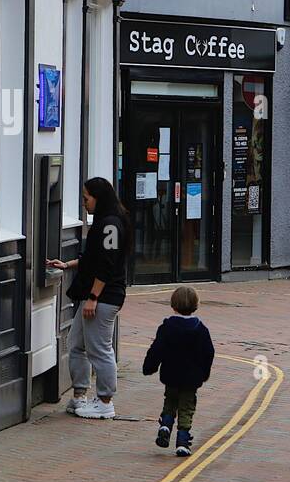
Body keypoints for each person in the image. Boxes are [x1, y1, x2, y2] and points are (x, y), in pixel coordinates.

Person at [48, 177, 130, 420]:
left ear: (99, 197)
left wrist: (94, 297)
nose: (84, 203)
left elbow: (106, 264)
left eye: (86, 198)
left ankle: (105, 402)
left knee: (100, 350)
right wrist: (68, 265)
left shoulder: (110, 225)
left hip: (102, 298)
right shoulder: (107, 223)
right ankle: (80, 395)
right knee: (76, 345)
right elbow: (95, 258)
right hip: (94, 295)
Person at [142, 285, 215, 458]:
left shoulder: (167, 327)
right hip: (191, 378)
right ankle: (182, 442)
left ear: (173, 305)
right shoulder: (201, 330)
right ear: (196, 305)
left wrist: (149, 367)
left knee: (170, 400)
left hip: (171, 375)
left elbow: (156, 349)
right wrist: (204, 373)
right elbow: (209, 353)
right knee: (186, 408)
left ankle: (166, 424)